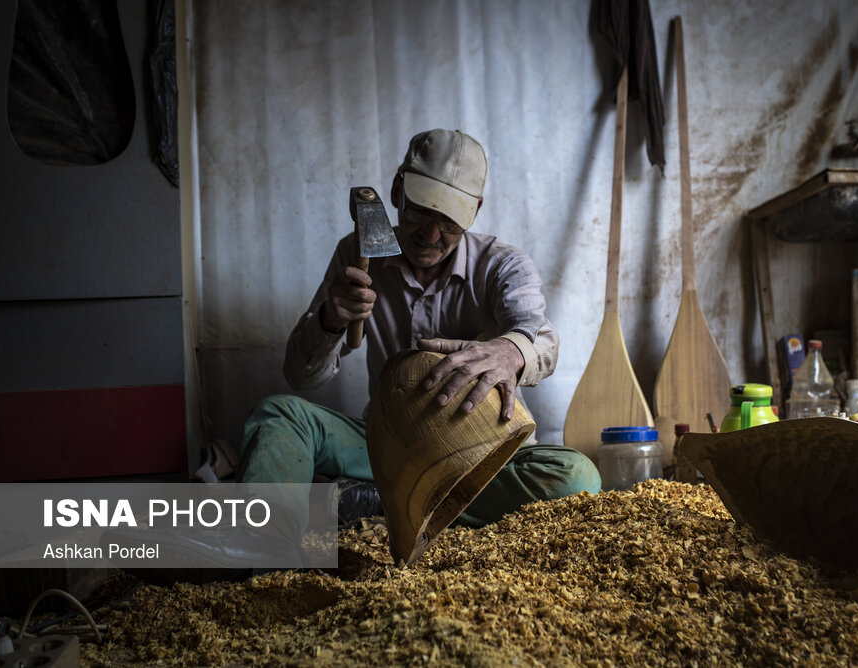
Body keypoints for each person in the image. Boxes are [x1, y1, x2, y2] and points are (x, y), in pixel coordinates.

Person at [238, 128, 600, 545]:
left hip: (484, 457)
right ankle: (263, 553)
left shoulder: (502, 264)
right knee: (279, 416)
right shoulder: (360, 253)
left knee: (576, 478)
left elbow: (541, 337)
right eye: (421, 213)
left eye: (449, 223)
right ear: (397, 192)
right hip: (391, 449)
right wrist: (329, 321)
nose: (430, 236)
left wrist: (508, 351)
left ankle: (380, 505)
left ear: (475, 211)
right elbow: (301, 377)